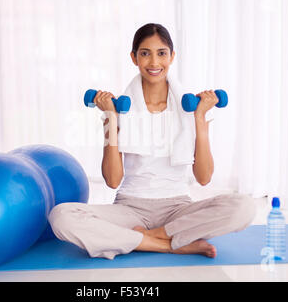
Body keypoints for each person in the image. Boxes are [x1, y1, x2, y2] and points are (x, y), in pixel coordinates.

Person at [48, 23, 256, 260]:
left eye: (161, 53)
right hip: (130, 209)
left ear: (172, 56)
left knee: (245, 207)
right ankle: (167, 244)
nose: (154, 62)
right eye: (145, 53)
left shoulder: (189, 108)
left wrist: (199, 118)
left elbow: (204, 178)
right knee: (61, 216)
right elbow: (113, 181)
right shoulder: (119, 110)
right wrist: (110, 118)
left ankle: (149, 237)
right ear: (134, 58)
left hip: (178, 208)